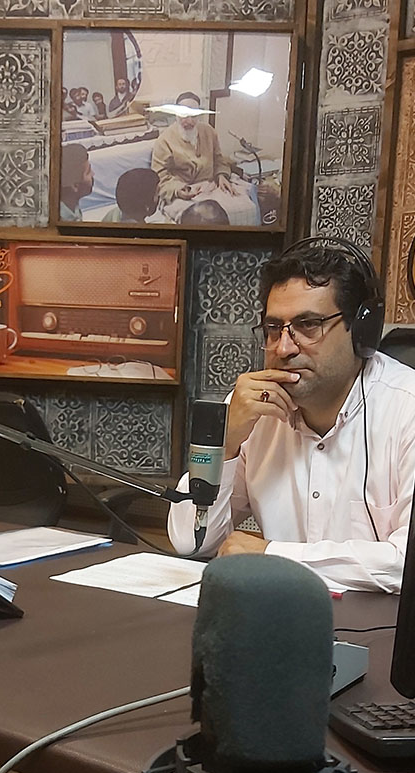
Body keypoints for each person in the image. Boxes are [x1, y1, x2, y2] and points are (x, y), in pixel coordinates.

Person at [168, 241, 415, 593]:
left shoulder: (406, 409)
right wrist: (226, 444)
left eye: (308, 325)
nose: (284, 348)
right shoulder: (254, 409)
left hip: (378, 624)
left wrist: (274, 556)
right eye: (273, 329)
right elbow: (190, 542)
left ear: (362, 331)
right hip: (276, 617)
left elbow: (406, 564)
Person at [152, 92, 237, 205]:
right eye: (184, 115)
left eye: (193, 116)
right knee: (199, 213)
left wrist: (221, 176)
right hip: (181, 192)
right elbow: (159, 176)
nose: (189, 121)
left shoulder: (209, 132)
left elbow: (219, 160)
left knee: (240, 203)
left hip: (211, 186)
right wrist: (178, 190)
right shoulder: (164, 140)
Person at [60, 144, 94, 222]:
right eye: (88, 172)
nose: (93, 174)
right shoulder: (63, 220)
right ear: (75, 186)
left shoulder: (72, 205)